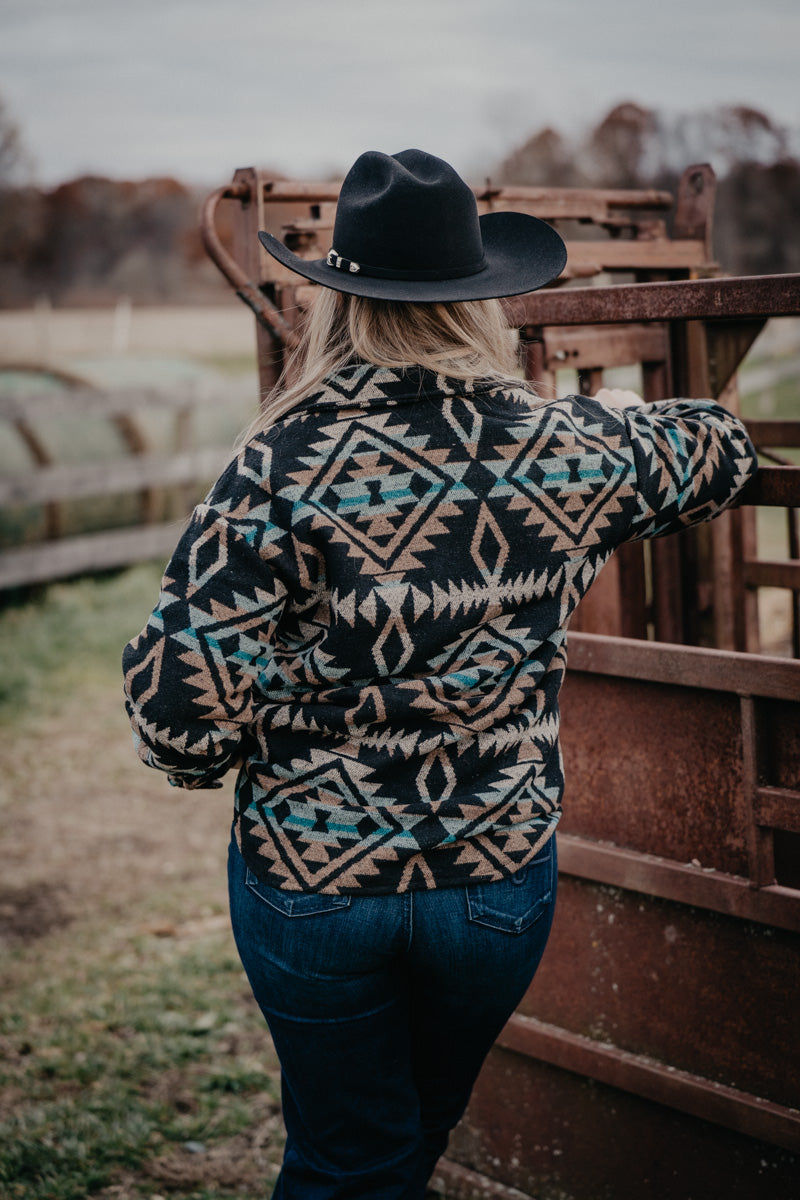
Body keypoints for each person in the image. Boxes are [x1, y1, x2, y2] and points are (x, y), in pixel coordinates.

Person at [123, 149, 758, 1199]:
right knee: (412, 1132)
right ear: (481, 304)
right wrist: (594, 421)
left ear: (337, 304)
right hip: (495, 885)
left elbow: (176, 725)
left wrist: (268, 725)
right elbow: (718, 447)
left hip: (313, 879)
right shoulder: (568, 449)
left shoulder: (274, 470)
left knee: (347, 1156)